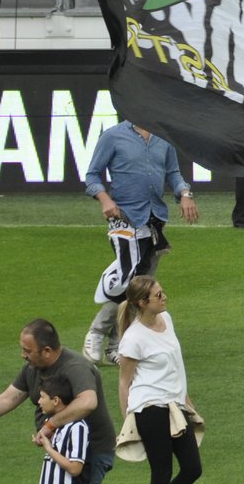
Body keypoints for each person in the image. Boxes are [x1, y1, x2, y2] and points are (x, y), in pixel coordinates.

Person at [0, 319, 117, 484]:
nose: (23, 355)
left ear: (47, 351)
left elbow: (88, 402)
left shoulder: (75, 367)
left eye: (28, 350)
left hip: (89, 454)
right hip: (60, 451)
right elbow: (7, 399)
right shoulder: (32, 369)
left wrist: (49, 426)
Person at [81, 119, 197, 362]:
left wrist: (185, 193)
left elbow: (173, 173)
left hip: (154, 220)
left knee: (141, 284)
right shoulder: (113, 136)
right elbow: (92, 176)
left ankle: (115, 345)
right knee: (131, 279)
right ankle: (96, 332)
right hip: (124, 219)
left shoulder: (163, 138)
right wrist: (105, 200)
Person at [115, 275, 201, 484]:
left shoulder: (168, 319)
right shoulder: (133, 338)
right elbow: (125, 382)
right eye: (158, 295)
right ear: (143, 303)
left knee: (192, 468)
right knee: (161, 473)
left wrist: (187, 401)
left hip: (174, 405)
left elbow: (176, 365)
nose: (164, 297)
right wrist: (128, 418)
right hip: (149, 408)